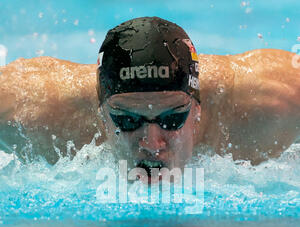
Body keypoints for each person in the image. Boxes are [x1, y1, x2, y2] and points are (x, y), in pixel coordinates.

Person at [0, 16, 299, 171]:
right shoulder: (34, 111)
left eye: (172, 118)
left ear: (198, 108)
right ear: (101, 110)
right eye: (128, 120)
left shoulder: (272, 102)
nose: (152, 143)